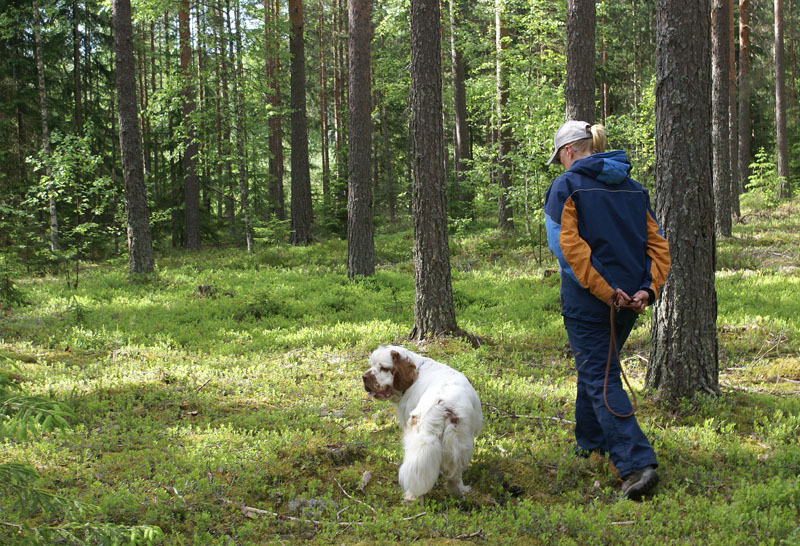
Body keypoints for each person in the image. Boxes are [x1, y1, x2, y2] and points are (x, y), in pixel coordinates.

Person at [543, 120, 671, 501]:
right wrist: (648, 288)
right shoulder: (633, 188)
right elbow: (658, 245)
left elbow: (567, 250)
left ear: (568, 152)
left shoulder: (565, 186)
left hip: (592, 301)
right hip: (630, 301)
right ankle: (590, 442)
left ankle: (635, 464)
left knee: (601, 376)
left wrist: (607, 291)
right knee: (596, 367)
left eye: (559, 158)